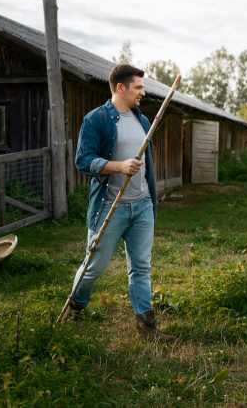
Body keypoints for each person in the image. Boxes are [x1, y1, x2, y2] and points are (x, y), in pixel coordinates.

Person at [68, 64, 172, 340]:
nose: (143, 92)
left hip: (142, 206)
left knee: (141, 266)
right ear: (120, 88)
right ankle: (75, 306)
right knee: (94, 267)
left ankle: (147, 327)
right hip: (110, 207)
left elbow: (146, 164)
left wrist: (150, 195)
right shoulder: (97, 120)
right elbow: (83, 160)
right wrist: (118, 166)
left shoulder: (142, 120)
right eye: (138, 87)